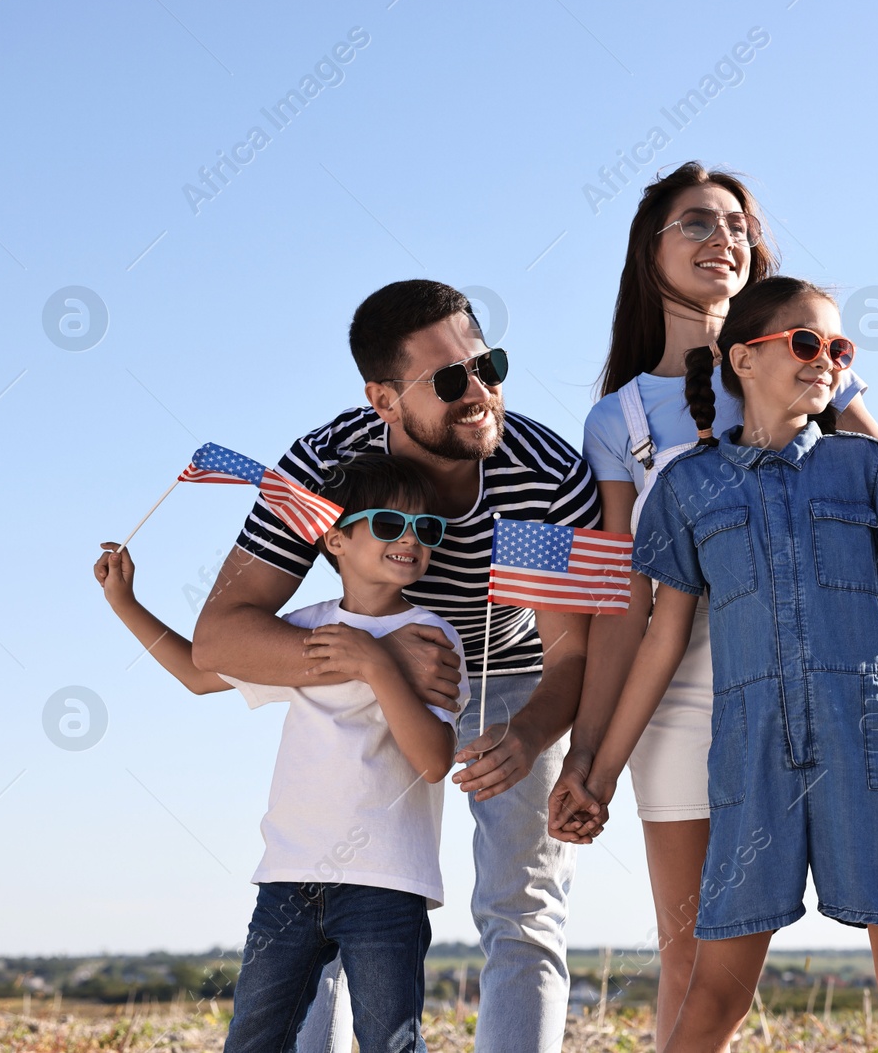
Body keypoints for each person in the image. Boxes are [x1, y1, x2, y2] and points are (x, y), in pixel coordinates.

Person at [553, 161, 878, 1051]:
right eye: (695, 222)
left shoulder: (808, 359)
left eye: (735, 223)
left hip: (840, 697)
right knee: (700, 971)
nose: (720, 237)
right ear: (648, 251)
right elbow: (628, 606)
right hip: (688, 712)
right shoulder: (620, 417)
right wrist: (589, 755)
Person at [190, 281, 601, 1053]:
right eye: (449, 381)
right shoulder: (324, 465)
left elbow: (572, 648)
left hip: (518, 673)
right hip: (381, 663)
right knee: (337, 885)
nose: (479, 393)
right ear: (383, 400)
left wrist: (534, 729)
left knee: (526, 906)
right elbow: (218, 640)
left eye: (489, 367)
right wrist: (378, 658)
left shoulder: (544, 476)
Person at [93, 454, 465, 1053]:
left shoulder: (431, 636)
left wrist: (374, 663)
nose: (411, 540)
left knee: (390, 1043)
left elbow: (433, 760)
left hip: (386, 882)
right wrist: (125, 604)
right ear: (336, 539)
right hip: (288, 878)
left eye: (426, 530)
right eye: (390, 524)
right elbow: (199, 672)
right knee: (253, 1040)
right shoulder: (300, 629)